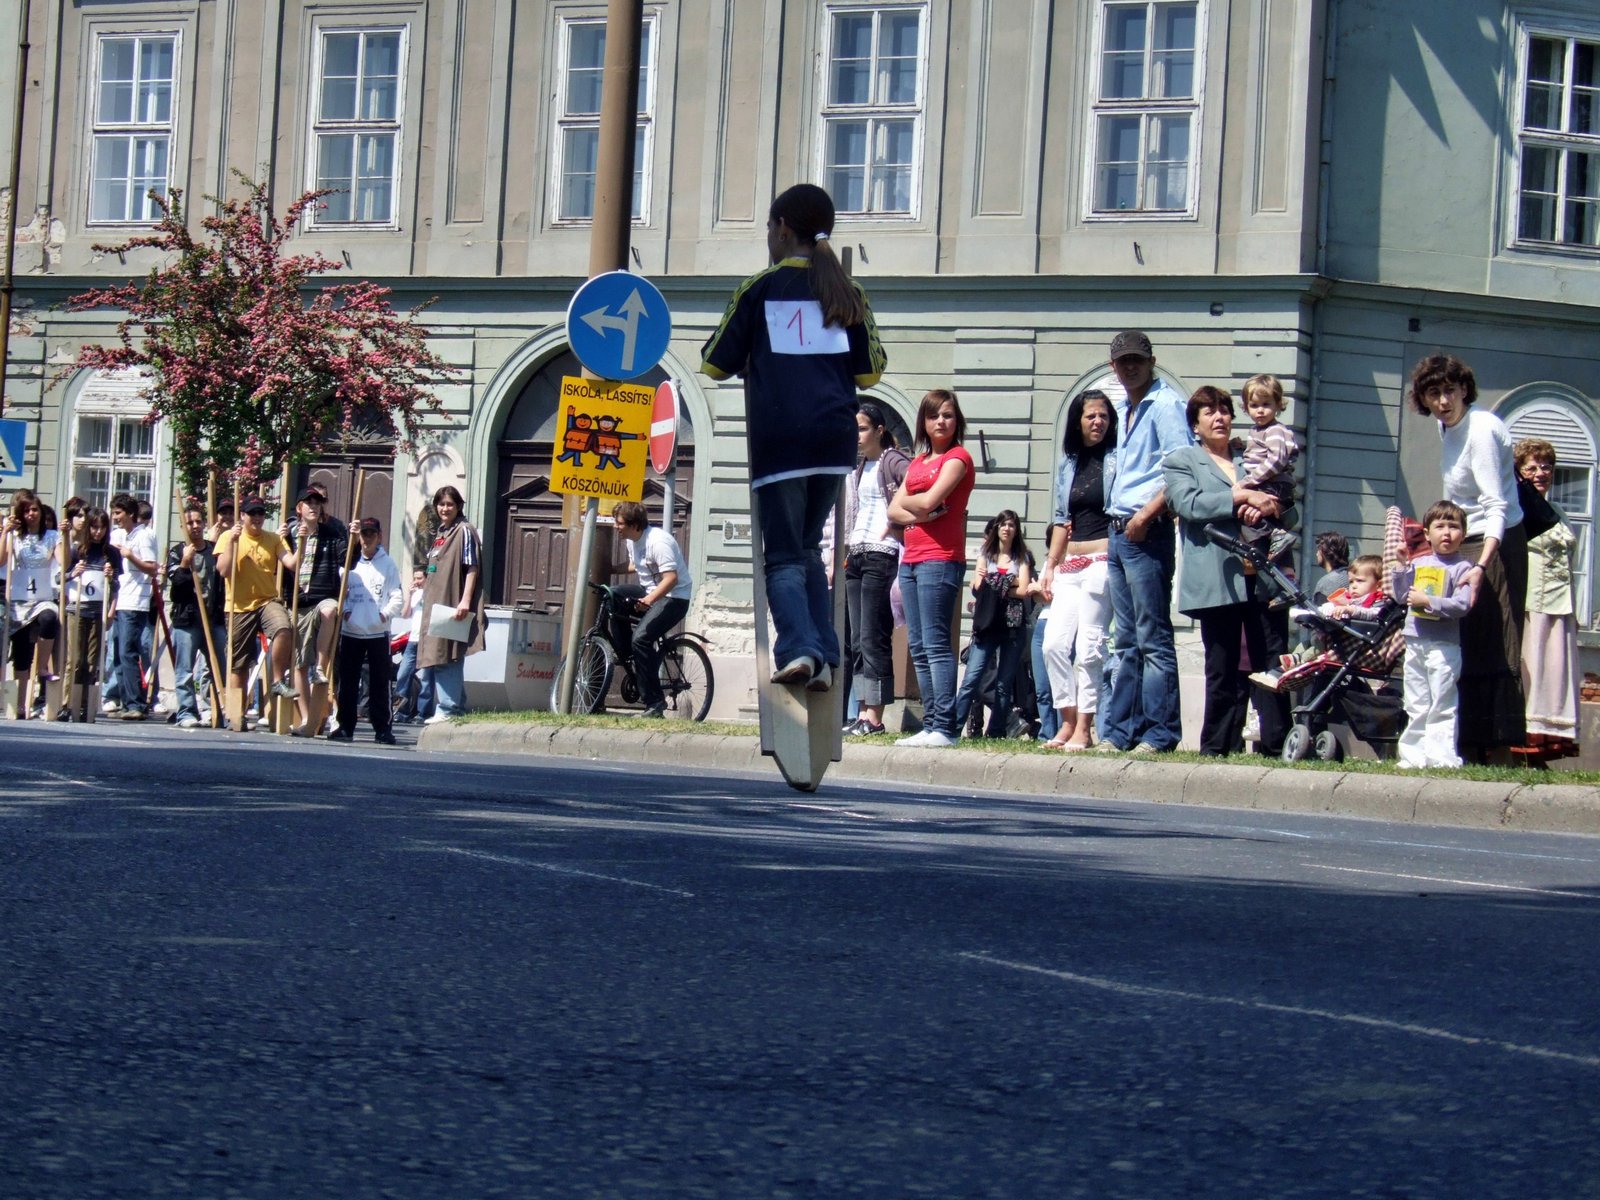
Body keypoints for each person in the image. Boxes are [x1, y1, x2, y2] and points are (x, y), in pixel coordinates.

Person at [701, 182, 887, 691]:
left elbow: (713, 362)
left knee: (783, 555)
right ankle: (823, 652)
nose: (768, 236)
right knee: (807, 550)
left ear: (782, 229)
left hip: (781, 441)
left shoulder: (758, 288)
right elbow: (871, 373)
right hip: (834, 441)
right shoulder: (848, 292)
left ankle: (799, 649)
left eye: (769, 227)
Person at [1163, 386, 1292, 757]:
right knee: (1222, 665)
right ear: (1195, 425)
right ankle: (1218, 745)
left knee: (1272, 660)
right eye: (1209, 412)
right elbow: (1188, 504)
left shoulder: (1252, 454)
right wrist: (1241, 496)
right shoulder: (1182, 460)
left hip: (1264, 577)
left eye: (1224, 411)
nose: (1219, 418)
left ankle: (1277, 745)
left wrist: (1269, 506)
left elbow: (1287, 501)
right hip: (1217, 579)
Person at [1409, 354, 1526, 762]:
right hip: (1462, 539)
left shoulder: (1482, 429)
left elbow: (1496, 506)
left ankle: (1499, 747)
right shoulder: (1445, 426)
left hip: (1497, 541)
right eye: (1433, 393)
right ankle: (1465, 743)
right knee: (1463, 639)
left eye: (1449, 391)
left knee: (1498, 639)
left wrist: (1479, 566)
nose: (1443, 401)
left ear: (1464, 390)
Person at [1097, 331, 1193, 753]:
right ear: (1113, 366)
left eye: (1137, 360)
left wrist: (1145, 515)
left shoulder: (1167, 405)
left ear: (1152, 361)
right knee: (1126, 640)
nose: (1130, 367)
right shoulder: (1124, 409)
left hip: (1145, 530)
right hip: (1119, 529)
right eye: (1123, 361)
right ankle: (1122, 732)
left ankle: (1160, 732)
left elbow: (1180, 470)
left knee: (1152, 637)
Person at [888, 389, 975, 748]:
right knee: (919, 646)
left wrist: (918, 506)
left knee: (937, 645)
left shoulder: (958, 458)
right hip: (910, 559)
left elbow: (928, 500)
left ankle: (946, 727)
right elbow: (894, 510)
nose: (941, 421)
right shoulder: (918, 462)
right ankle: (931, 724)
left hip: (940, 558)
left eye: (948, 415)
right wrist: (921, 512)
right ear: (923, 422)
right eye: (934, 415)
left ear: (957, 421)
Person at [1040, 389, 1118, 751]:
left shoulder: (1117, 458)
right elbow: (1061, 519)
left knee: (1089, 648)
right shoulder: (1068, 463)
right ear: (1078, 422)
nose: (1097, 422)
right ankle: (1067, 720)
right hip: (1069, 564)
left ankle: (1085, 727)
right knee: (1053, 646)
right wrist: (1049, 566)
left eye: (1103, 416)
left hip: (1102, 561)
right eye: (1091, 416)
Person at [842, 400, 910, 736]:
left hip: (881, 555)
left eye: (863, 429)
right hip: (856, 554)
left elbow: (916, 486)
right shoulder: (859, 467)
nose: (857, 435)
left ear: (879, 430)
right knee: (857, 640)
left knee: (873, 636)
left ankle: (875, 717)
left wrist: (896, 526)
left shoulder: (892, 460)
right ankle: (861, 712)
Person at [1395, 500, 1477, 769]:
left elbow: (1462, 605)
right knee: (1416, 701)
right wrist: (1401, 566)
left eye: (1453, 527)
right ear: (1427, 533)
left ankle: (1441, 757)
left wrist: (1428, 602)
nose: (1446, 533)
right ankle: (1413, 756)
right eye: (1439, 526)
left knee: (1442, 700)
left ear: (1463, 534)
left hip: (1444, 644)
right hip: (1415, 640)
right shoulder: (1418, 563)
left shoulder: (1463, 568)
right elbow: (1401, 596)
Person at [1514, 438, 1581, 755]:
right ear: (1520, 472)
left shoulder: (1557, 511)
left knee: (1557, 671)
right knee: (1534, 666)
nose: (1541, 473)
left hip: (1562, 604)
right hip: (1533, 602)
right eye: (1532, 468)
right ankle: (1527, 733)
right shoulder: (1518, 509)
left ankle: (1552, 737)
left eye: (1546, 467)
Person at [215, 494, 304, 726]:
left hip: (266, 601)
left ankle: (277, 681)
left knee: (284, 627)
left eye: (260, 513)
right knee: (239, 664)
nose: (256, 518)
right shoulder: (228, 536)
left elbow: (292, 563)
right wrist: (232, 542)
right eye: (252, 513)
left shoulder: (273, 539)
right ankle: (237, 714)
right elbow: (223, 571)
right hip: (238, 606)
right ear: (242, 516)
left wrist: (302, 542)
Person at [609, 500, 693, 719]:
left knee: (641, 639)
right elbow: (635, 565)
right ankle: (629, 655)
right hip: (650, 591)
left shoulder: (659, 542)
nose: (615, 527)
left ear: (634, 524)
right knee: (613, 595)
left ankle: (655, 704)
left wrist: (648, 600)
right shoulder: (632, 540)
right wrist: (609, 568)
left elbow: (671, 578)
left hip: (674, 598)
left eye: (619, 523)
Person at [954, 511, 1033, 739]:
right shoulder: (986, 553)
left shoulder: (1022, 557)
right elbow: (979, 586)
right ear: (997, 528)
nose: (1007, 529)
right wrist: (1009, 582)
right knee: (971, 678)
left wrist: (994, 581)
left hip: (1012, 624)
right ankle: (953, 728)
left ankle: (996, 731)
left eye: (1011, 525)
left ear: (1016, 530)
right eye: (1003, 525)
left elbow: (1024, 590)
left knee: (1003, 683)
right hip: (987, 623)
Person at [329, 517, 403, 745]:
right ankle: (345, 726)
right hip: (351, 631)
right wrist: (346, 612)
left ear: (379, 536)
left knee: (380, 682)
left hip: (377, 633)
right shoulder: (349, 563)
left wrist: (384, 615)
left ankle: (382, 729)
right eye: (364, 534)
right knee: (348, 682)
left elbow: (397, 597)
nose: (367, 538)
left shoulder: (388, 564)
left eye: (372, 534)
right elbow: (341, 593)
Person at [416, 485, 485, 721]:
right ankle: (456, 707)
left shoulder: (464, 530)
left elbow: (472, 567)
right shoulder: (442, 532)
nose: (445, 509)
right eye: (441, 504)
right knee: (441, 654)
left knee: (447, 654)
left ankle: (448, 708)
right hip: (436, 603)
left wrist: (465, 600)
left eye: (450, 504)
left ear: (458, 507)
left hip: (452, 603)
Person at [283, 487, 348, 728]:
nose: (314, 506)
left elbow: (347, 560)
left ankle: (320, 665)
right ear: (299, 508)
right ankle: (307, 718)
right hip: (299, 601)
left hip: (323, 596)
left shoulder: (331, 534)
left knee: (330, 610)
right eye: (309, 502)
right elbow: (280, 564)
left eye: (317, 503)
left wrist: (353, 540)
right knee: (300, 663)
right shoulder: (287, 536)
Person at [1, 489, 62, 717]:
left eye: (35, 509)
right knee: (22, 651)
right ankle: (20, 703)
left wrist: (64, 539)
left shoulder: (52, 536)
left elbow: (63, 561)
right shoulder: (16, 536)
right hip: (19, 598)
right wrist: (6, 532)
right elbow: (1, 560)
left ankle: (43, 665)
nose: (31, 514)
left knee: (49, 618)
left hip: (42, 597)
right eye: (26, 511)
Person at [102, 492, 159, 720]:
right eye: (114, 513)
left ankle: (136, 703)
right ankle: (126, 702)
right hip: (119, 598)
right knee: (117, 653)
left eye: (118, 513)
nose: (115, 517)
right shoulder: (117, 534)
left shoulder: (144, 536)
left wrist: (130, 555)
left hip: (135, 601)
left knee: (128, 652)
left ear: (130, 514)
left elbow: (152, 568)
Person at [165, 503, 222, 729]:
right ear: (183, 526)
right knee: (185, 670)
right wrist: (184, 564)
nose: (195, 526)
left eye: (198, 521)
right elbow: (176, 590)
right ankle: (186, 712)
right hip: (187, 620)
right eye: (190, 522)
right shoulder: (177, 552)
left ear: (205, 524)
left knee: (219, 667)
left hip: (214, 618)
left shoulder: (215, 550)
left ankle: (214, 709)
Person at [1234, 374, 1300, 561]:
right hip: (1269, 481)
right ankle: (1272, 536)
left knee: (1247, 511)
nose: (1260, 411)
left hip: (1274, 483)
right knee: (1248, 511)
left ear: (1278, 405)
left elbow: (1276, 460)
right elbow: (1259, 452)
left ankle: (1275, 535)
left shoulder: (1275, 430)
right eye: (1254, 405)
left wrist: (1248, 481)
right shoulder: (1258, 430)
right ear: (1246, 407)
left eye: (1266, 404)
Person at [64, 507, 119, 713]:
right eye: (94, 527)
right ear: (88, 528)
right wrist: (72, 574)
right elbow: (59, 578)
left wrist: (111, 579)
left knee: (91, 661)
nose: (98, 532)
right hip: (77, 609)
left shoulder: (111, 553)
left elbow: (116, 585)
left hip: (97, 611)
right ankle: (67, 703)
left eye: (102, 528)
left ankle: (85, 704)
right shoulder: (77, 550)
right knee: (75, 660)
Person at [392, 566, 433, 723]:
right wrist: (409, 596)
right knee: (403, 674)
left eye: (419, 578)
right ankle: (401, 711)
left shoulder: (432, 592)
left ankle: (423, 713)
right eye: (414, 578)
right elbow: (405, 614)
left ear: (427, 578)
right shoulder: (415, 594)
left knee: (428, 677)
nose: (416, 581)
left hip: (428, 639)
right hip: (413, 640)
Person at [1309, 530, 1351, 603]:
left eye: (1318, 550)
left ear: (1323, 551)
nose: (1316, 554)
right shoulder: (1354, 577)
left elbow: (1318, 609)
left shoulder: (1327, 582)